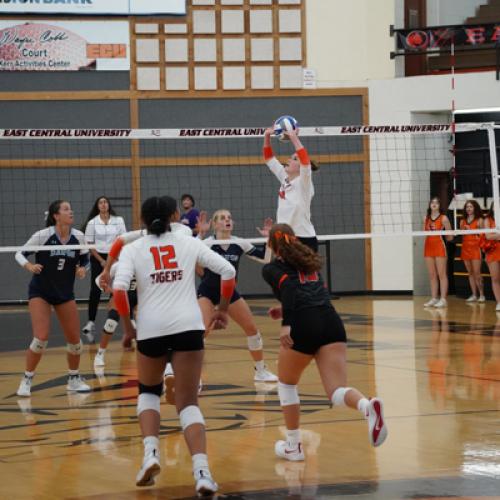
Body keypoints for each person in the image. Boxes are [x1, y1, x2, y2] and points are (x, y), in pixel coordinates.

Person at [112, 196, 236, 495]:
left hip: (151, 329)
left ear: (142, 220)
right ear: (174, 216)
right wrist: (222, 310)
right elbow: (228, 271)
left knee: (149, 393)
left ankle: (151, 455)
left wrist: (128, 328)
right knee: (188, 403)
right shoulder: (189, 242)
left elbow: (118, 289)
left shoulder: (132, 249)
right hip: (188, 328)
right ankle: (202, 472)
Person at [261, 224, 387, 460]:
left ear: (271, 245)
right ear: (295, 240)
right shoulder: (308, 261)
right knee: (337, 391)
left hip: (303, 324)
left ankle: (294, 446)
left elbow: (288, 286)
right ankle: (366, 407)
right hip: (330, 321)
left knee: (287, 385)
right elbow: (307, 291)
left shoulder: (271, 268)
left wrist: (287, 322)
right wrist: (284, 308)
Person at [15, 200, 91, 397]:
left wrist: (83, 268)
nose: (71, 211)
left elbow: (85, 258)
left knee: (75, 341)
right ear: (56, 216)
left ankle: (73, 379)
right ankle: (27, 378)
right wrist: (29, 267)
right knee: (41, 338)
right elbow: (19, 254)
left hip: (64, 293)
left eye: (71, 208)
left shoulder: (78, 237)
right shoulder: (43, 236)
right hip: (41, 291)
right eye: (66, 209)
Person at [197, 209, 278, 383]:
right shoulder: (206, 244)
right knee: (202, 331)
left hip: (230, 292)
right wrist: (200, 235)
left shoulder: (240, 243)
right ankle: (193, 375)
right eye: (223, 218)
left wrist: (268, 238)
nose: (227, 220)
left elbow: (265, 258)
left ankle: (260, 371)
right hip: (208, 292)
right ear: (214, 224)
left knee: (252, 330)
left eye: (229, 218)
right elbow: (189, 256)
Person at [262, 127, 319, 252]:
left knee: (306, 272)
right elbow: (269, 159)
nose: (288, 159)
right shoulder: (285, 178)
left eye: (294, 159)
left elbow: (305, 161)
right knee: (278, 270)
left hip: (303, 238)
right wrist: (267, 136)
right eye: (291, 157)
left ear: (300, 167)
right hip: (284, 237)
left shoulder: (304, 182)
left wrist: (294, 137)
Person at [82, 196, 126, 341]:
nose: (103, 204)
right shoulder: (92, 222)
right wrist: (101, 261)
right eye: (100, 202)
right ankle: (91, 322)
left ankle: (117, 319)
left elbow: (122, 239)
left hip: (115, 256)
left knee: (119, 287)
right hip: (98, 257)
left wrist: (115, 258)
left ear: (108, 205)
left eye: (105, 202)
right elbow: (89, 243)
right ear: (97, 206)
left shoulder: (118, 220)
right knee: (95, 290)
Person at [423, 197, 453, 308]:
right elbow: (424, 233)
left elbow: (450, 237)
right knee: (432, 275)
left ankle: (443, 299)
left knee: (442, 274)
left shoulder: (444, 218)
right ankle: (434, 298)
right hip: (428, 247)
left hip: (439, 247)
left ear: (440, 206)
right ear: (429, 205)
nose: (434, 204)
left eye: (437, 203)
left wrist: (447, 233)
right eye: (432, 202)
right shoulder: (425, 218)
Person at [460, 200, 485, 303]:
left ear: (475, 208)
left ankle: (482, 295)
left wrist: (472, 230)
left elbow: (483, 235)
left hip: (475, 248)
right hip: (465, 248)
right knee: (470, 273)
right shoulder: (462, 221)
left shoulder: (479, 220)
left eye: (470, 207)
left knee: (477, 273)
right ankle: (474, 295)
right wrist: (464, 230)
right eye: (467, 207)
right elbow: (462, 235)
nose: (468, 209)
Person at [483, 204, 500, 311]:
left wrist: (496, 235)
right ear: (492, 207)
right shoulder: (487, 220)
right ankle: (499, 302)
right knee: (495, 278)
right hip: (493, 250)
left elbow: (492, 235)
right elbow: (488, 236)